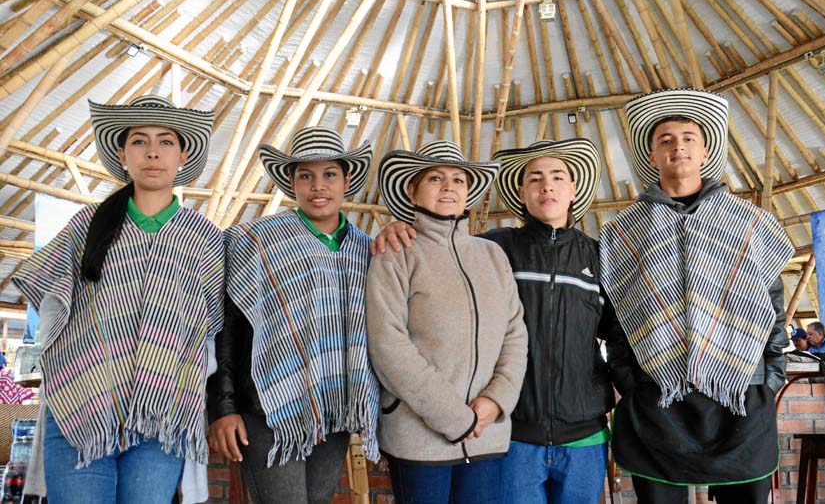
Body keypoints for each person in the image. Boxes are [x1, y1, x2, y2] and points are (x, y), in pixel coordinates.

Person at [12, 95, 224, 504]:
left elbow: (209, 330)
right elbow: (49, 300)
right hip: (82, 405)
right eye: (139, 142)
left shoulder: (206, 238)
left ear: (183, 156)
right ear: (123, 155)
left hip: (161, 413)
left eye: (165, 142)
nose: (152, 153)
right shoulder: (86, 225)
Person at [598, 88, 793, 504]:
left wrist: (771, 377)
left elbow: (773, 305)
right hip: (658, 395)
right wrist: (631, 382)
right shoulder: (625, 231)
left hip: (739, 394)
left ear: (705, 153)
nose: (678, 146)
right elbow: (616, 317)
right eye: (665, 140)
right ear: (652, 157)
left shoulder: (748, 221)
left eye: (688, 138)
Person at [206, 126, 381, 504]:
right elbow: (225, 326)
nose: (318, 186)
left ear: (347, 180)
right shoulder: (258, 240)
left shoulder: (367, 251)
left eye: (329, 174)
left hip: (334, 404)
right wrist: (224, 406)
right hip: (268, 405)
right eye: (306, 175)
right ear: (292, 183)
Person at [366, 141, 528, 504]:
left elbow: (514, 334)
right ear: (412, 191)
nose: (448, 187)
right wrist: (455, 417)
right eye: (435, 178)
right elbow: (388, 345)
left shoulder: (492, 255)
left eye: (458, 180)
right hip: (419, 438)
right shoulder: (395, 253)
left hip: (487, 434)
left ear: (468, 194)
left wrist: (496, 401)